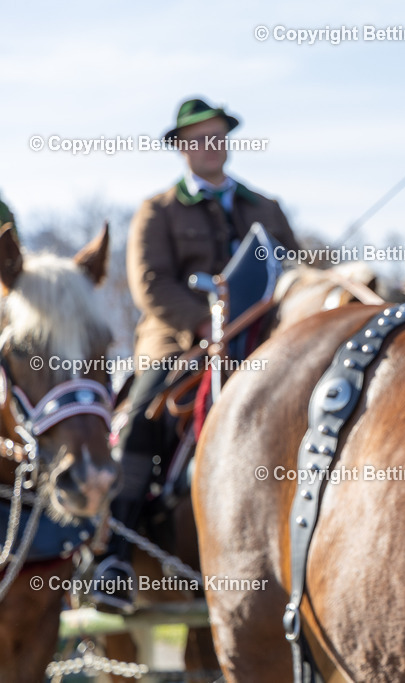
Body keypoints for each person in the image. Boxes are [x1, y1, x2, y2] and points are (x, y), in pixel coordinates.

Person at [92, 97, 300, 610]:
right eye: (200, 138)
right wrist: (205, 324)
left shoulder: (266, 207)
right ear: (182, 148)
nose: (212, 145)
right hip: (179, 343)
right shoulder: (157, 210)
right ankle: (115, 556)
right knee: (144, 413)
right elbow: (150, 284)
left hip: (264, 339)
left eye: (218, 135)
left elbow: (293, 271)